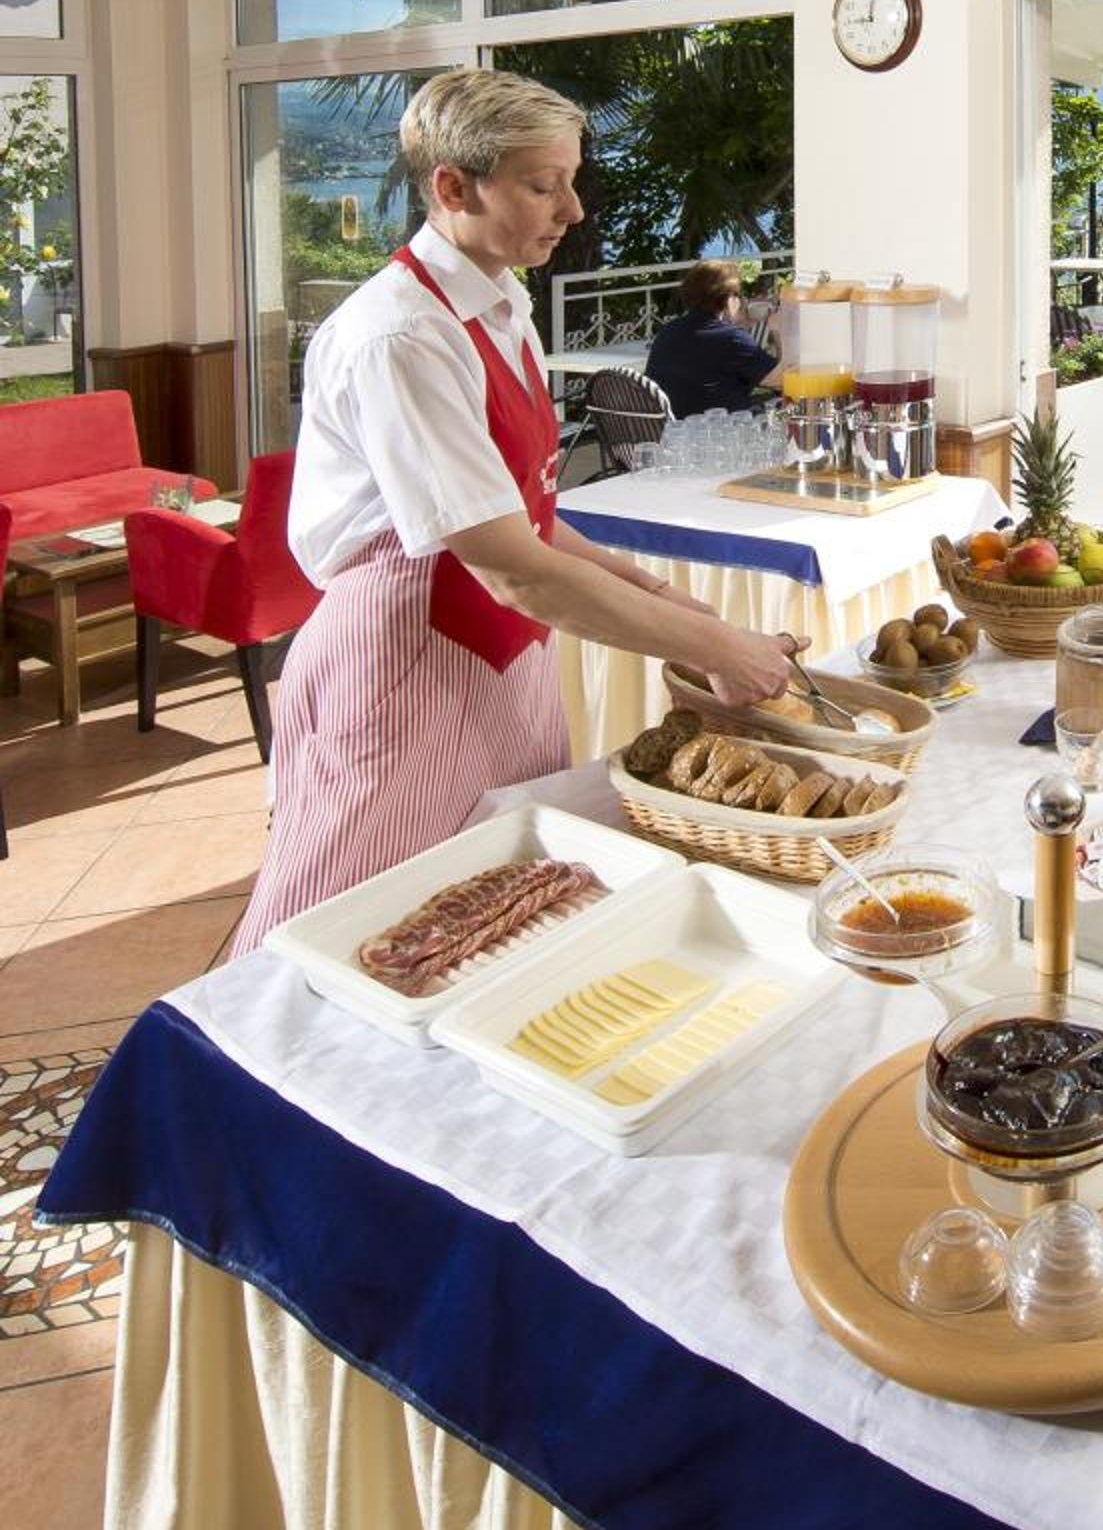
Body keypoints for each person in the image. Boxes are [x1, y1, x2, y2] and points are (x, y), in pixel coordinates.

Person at [231, 69, 794, 952]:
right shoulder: (401, 335)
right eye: (543, 185)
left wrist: (656, 594)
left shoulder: (503, 306)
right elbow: (509, 565)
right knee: (349, 925)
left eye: (570, 180)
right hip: (403, 658)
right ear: (454, 187)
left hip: (502, 654)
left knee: (493, 907)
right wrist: (719, 650)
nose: (572, 210)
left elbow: (525, 515)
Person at [645, 261, 779, 418]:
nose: (741, 300)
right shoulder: (733, 339)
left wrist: (739, 323)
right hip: (719, 427)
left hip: (672, 426)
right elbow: (781, 382)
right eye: (737, 294)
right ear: (728, 299)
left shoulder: (668, 331)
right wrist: (778, 330)